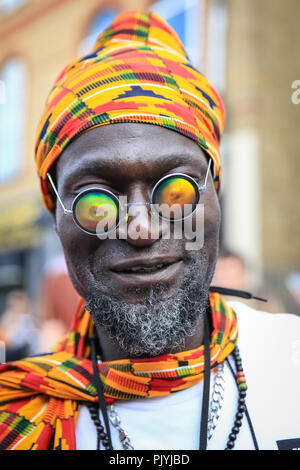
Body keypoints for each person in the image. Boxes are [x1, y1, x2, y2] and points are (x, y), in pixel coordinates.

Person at [0, 10, 299, 451]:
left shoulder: (291, 361)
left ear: (214, 194)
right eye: (97, 198)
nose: (140, 227)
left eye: (175, 190)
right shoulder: (19, 417)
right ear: (56, 214)